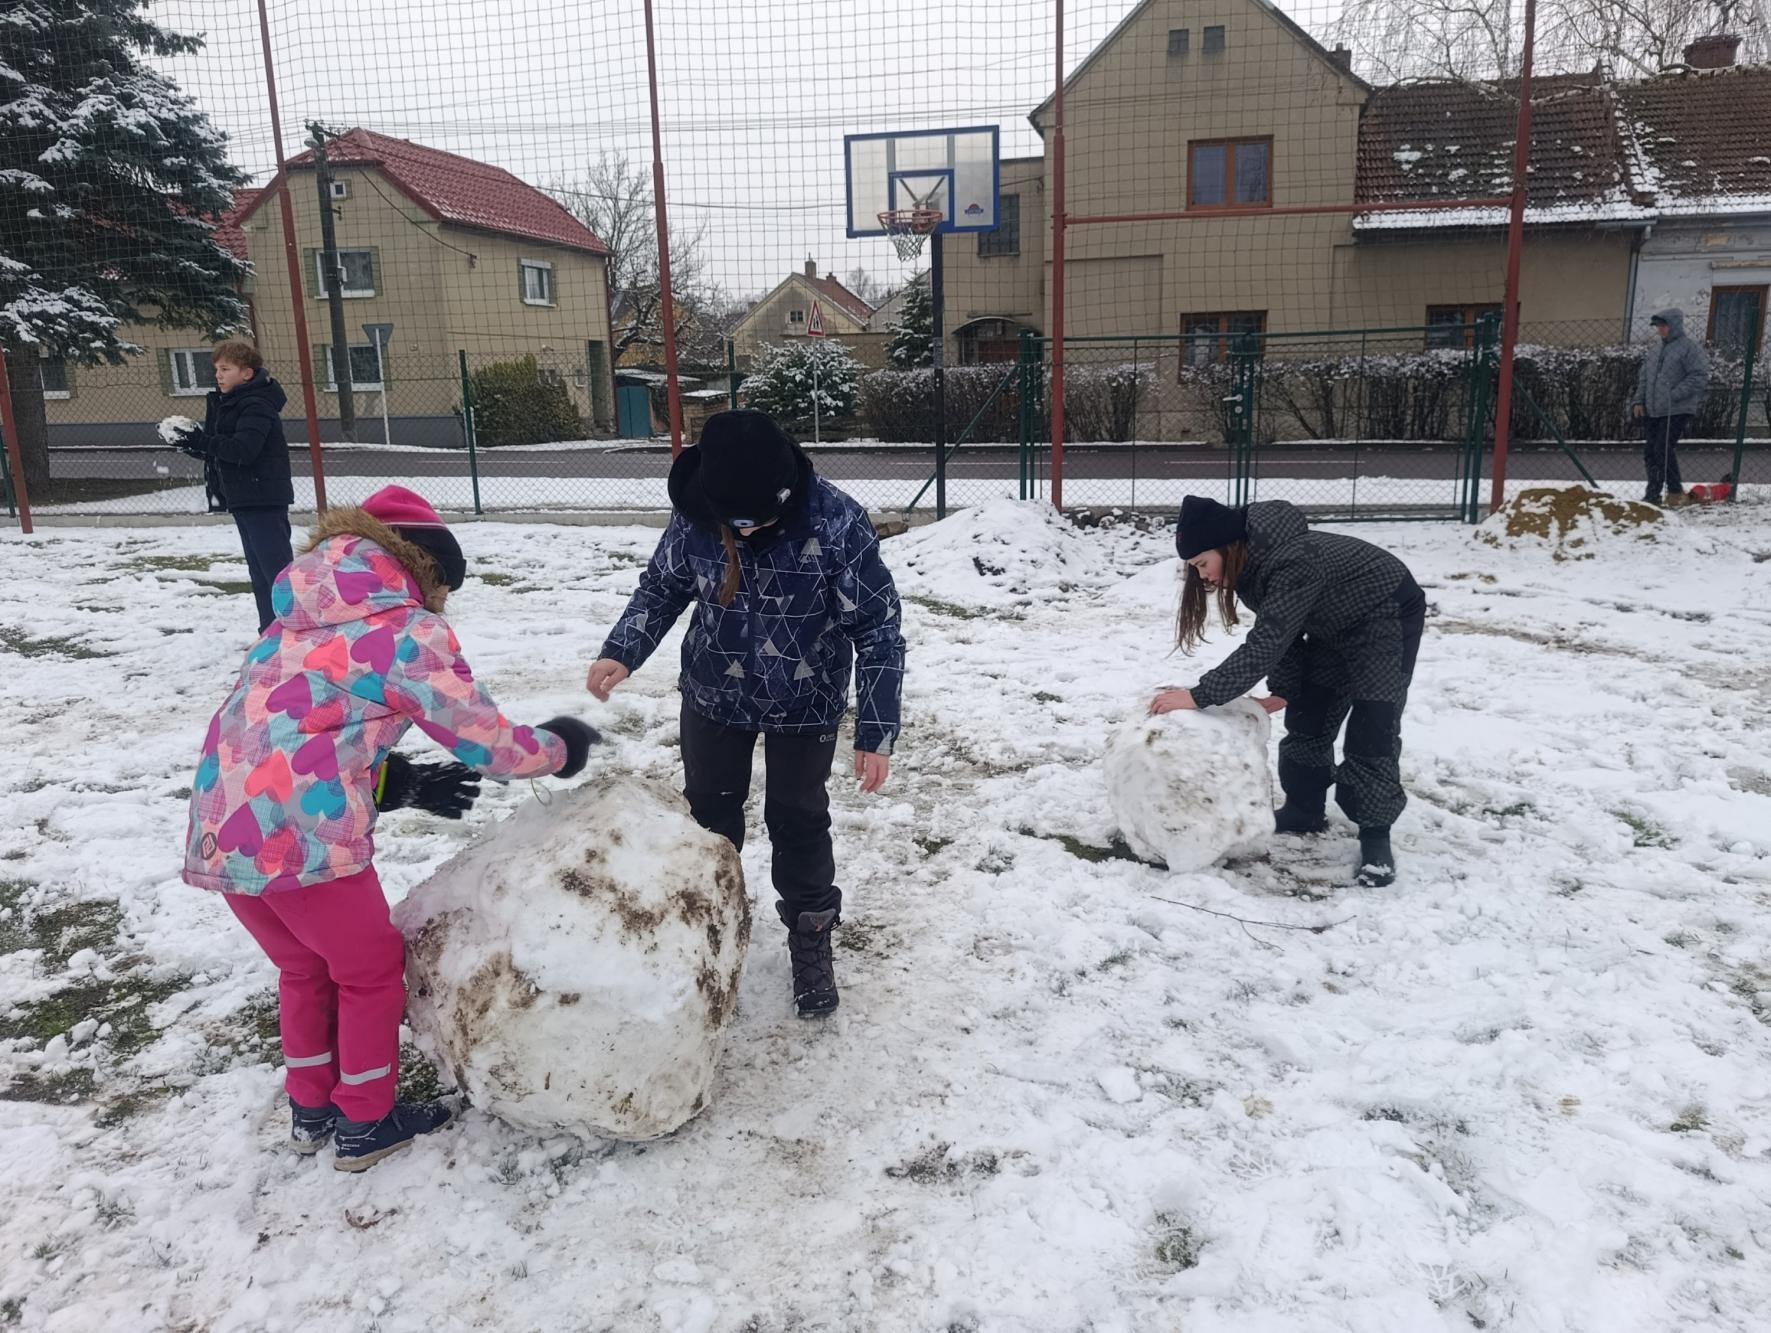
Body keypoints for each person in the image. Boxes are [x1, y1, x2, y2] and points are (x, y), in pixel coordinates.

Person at [182, 484, 598, 1170]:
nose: (439, 604)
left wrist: (390, 780)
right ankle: (367, 1121)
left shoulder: (290, 621)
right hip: (302, 842)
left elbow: (292, 737)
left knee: (303, 966)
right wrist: (556, 748)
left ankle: (311, 1108)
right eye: (441, 588)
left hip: (220, 825)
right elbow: (483, 739)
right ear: (424, 568)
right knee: (372, 970)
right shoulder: (405, 629)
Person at [585, 410, 905, 1018]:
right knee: (708, 816)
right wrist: (621, 650)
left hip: (805, 700)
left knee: (799, 818)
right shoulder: (698, 513)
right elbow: (663, 585)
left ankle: (810, 938)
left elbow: (879, 629)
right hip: (714, 692)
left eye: (759, 517)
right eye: (737, 521)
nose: (748, 529)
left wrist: (876, 729)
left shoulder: (836, 522)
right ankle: (708, 931)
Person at [1150, 495, 1425, 888]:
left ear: (1227, 547)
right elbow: (1286, 634)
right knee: (1309, 712)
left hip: (1386, 617)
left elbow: (1267, 642)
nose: (1204, 577)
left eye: (1202, 564)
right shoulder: (1252, 572)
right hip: (1333, 622)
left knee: (1373, 723)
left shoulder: (1293, 559)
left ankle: (1375, 836)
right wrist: (1285, 689)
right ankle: (1304, 809)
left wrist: (1199, 694)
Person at [169, 340, 296, 632]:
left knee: (276, 573)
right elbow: (220, 450)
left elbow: (243, 450)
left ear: (247, 373)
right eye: (217, 369)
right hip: (244, 497)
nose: (218, 375)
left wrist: (202, 441)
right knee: (260, 573)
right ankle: (271, 631)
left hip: (263, 497)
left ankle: (292, 629)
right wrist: (189, 442)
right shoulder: (228, 404)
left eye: (226, 368)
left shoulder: (256, 405)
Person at [1632, 309, 1710, 508]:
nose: (1660, 330)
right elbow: (1645, 378)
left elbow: (1699, 376)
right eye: (1658, 326)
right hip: (1653, 409)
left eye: (1663, 325)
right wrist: (1638, 401)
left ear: (1674, 325)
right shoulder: (1655, 350)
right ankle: (1653, 495)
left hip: (1678, 408)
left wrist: (1673, 394)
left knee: (1663, 448)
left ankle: (1675, 492)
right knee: (1651, 451)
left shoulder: (1689, 348)